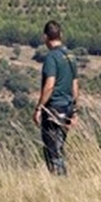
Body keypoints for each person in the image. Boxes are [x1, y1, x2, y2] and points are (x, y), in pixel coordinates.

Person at [32, 20, 79, 175]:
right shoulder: (70, 56)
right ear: (61, 35)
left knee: (52, 151)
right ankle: (62, 179)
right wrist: (74, 111)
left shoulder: (52, 58)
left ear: (45, 37)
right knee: (59, 147)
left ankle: (59, 181)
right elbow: (75, 85)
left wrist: (39, 108)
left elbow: (50, 85)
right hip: (67, 107)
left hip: (53, 108)